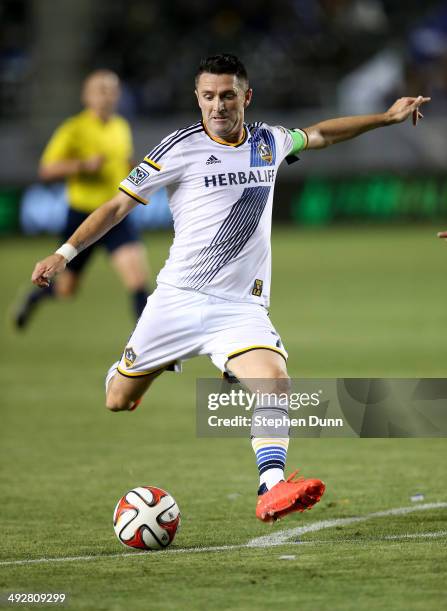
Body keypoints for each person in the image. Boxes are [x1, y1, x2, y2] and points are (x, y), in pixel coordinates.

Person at [30, 54, 430, 523]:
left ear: (246, 96)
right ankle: (142, 364)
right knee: (119, 399)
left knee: (276, 382)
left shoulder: (269, 141)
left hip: (239, 309)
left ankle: (272, 486)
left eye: (227, 95)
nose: (217, 105)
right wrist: (65, 253)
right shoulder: (177, 148)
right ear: (197, 98)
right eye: (208, 96)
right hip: (176, 302)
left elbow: (321, 133)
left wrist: (385, 117)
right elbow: (117, 207)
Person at [15, 69, 151, 329]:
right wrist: (82, 165)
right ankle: (35, 297)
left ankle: (147, 348)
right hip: (82, 217)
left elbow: (125, 162)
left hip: (116, 215)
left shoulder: (121, 126)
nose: (107, 95)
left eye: (112, 89)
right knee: (66, 290)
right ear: (86, 96)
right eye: (101, 89)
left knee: (137, 279)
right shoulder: (74, 129)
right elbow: (46, 169)